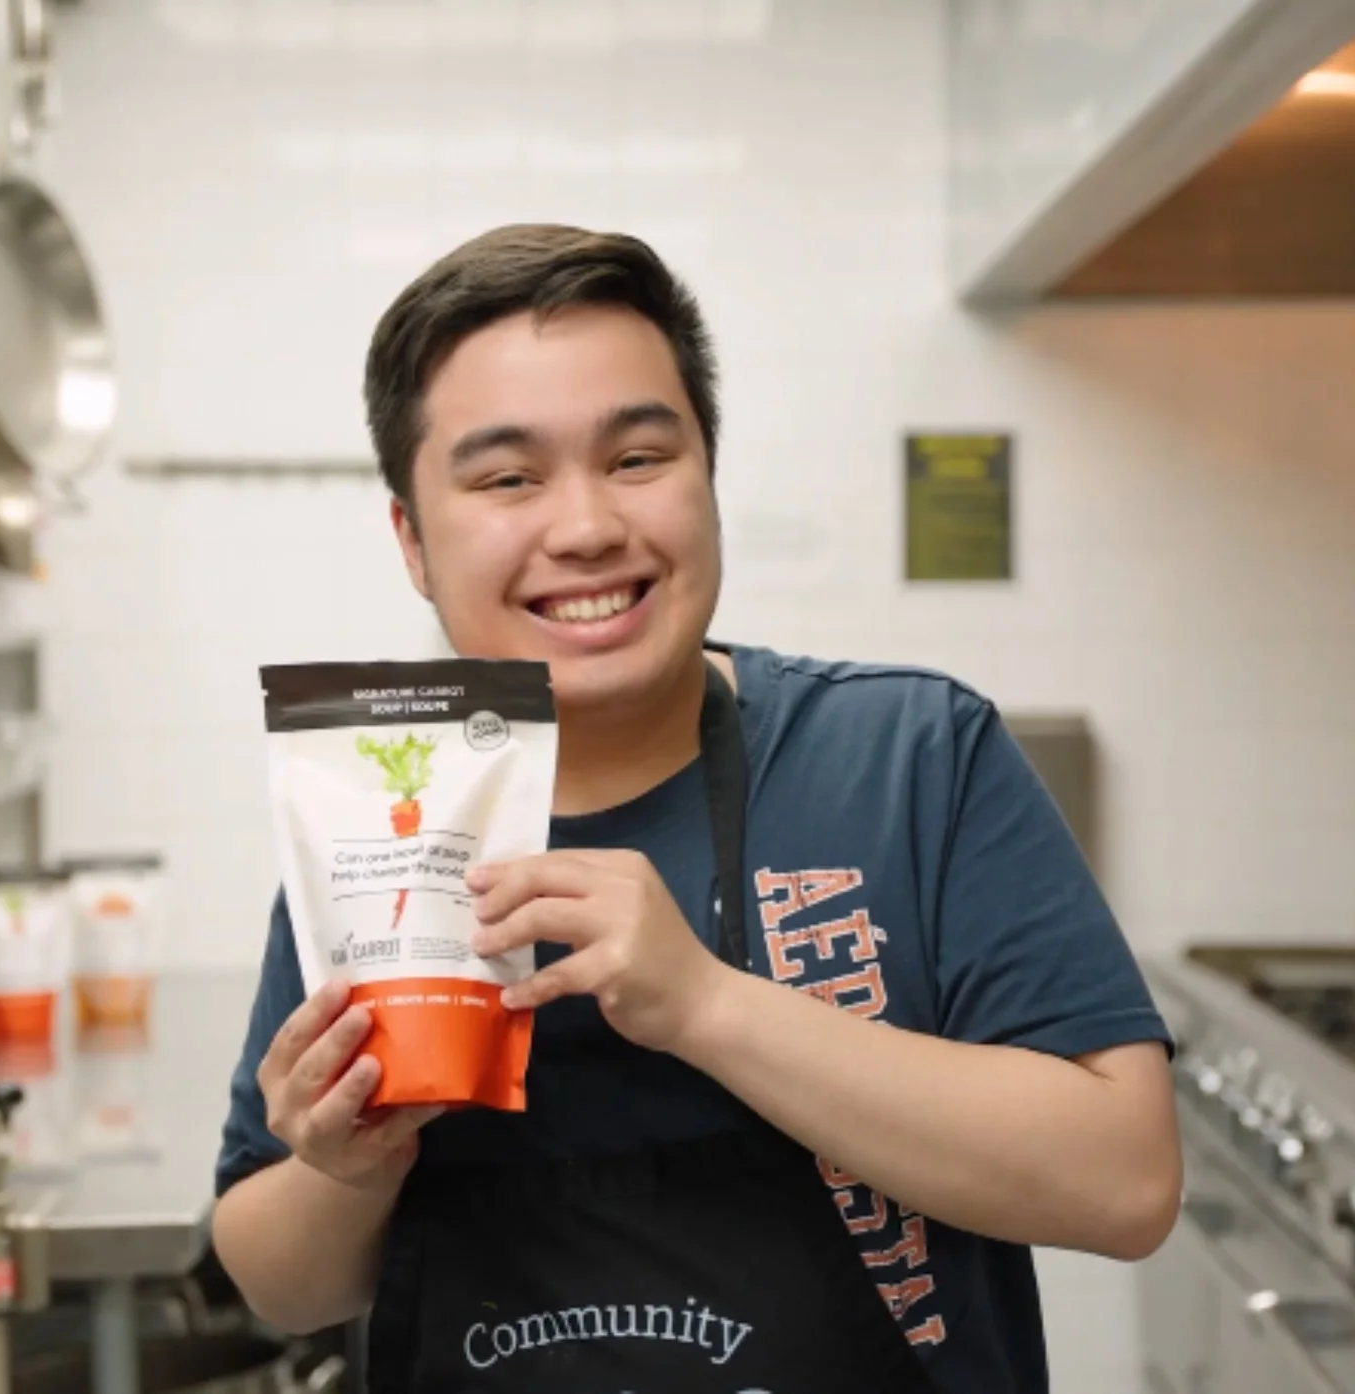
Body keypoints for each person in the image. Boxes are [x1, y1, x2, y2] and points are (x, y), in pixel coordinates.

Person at [213, 223, 1181, 1394]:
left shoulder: (908, 756)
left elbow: (1126, 1185)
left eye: (635, 458)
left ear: (707, 474)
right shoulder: (392, 810)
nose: (584, 527)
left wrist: (706, 1004)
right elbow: (279, 1280)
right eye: (508, 477)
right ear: (413, 540)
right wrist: (346, 1167)